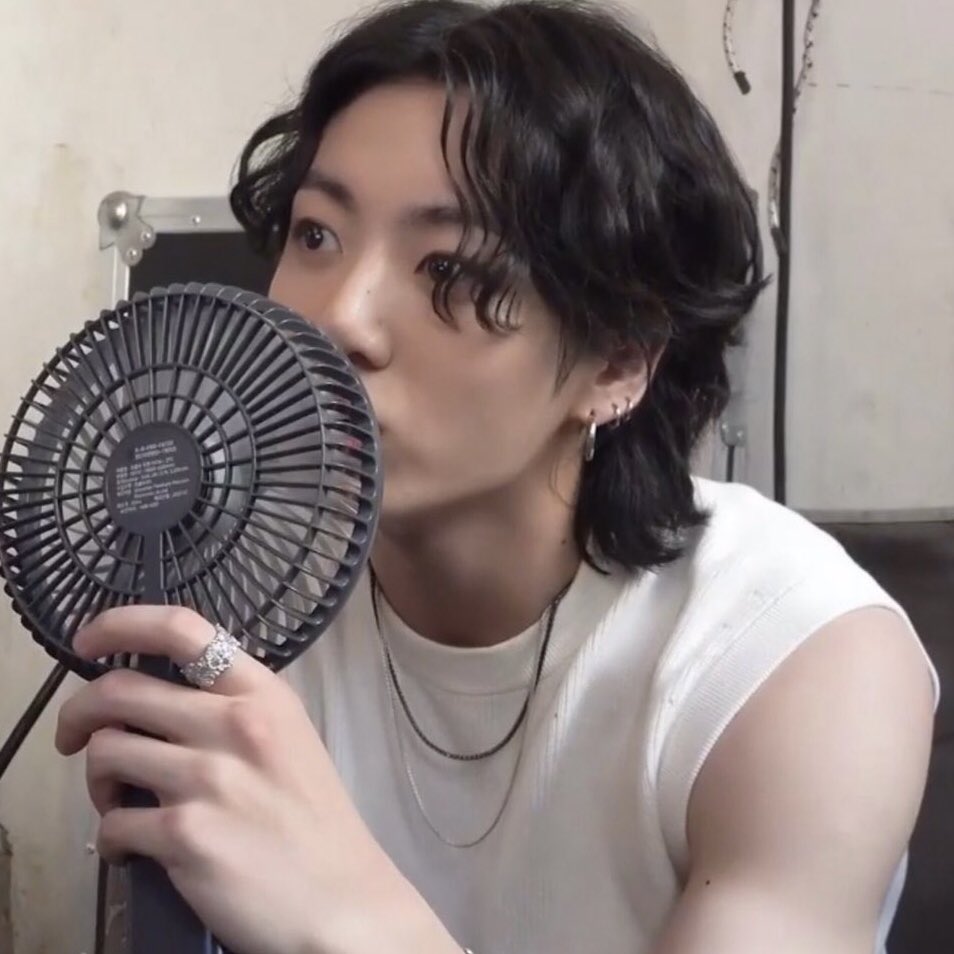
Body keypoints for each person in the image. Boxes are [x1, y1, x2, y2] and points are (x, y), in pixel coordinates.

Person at [56, 1, 939, 953]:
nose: (341, 318)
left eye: (450, 269)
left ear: (617, 361)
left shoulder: (795, 660)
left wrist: (348, 918)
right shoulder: (230, 602)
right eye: (316, 235)